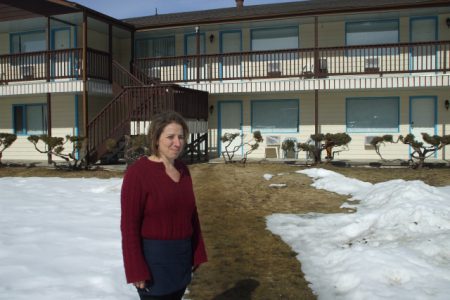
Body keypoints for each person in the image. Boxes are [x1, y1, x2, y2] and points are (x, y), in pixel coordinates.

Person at [121, 111, 208, 300]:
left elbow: (191, 215)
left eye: (181, 137)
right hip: (155, 263)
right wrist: (136, 269)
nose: (177, 143)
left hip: (182, 258)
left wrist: (197, 251)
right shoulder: (138, 174)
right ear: (156, 138)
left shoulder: (183, 170)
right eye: (170, 137)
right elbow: (129, 226)